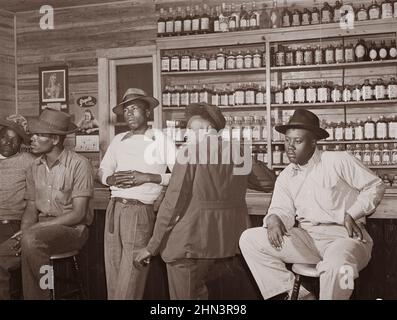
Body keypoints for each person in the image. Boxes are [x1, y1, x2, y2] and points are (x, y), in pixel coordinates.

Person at [239, 109, 385, 300]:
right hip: (308, 240)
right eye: (287, 140)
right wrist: (274, 218)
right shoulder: (286, 175)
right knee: (249, 239)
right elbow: (281, 209)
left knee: (339, 268)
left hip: (346, 239)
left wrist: (353, 213)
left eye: (297, 141)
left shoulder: (337, 160)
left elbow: (375, 185)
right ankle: (301, 296)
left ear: (314, 142)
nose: (290, 147)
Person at [135, 102, 276, 300]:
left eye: (192, 130)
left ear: (208, 129)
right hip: (222, 243)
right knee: (198, 293)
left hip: (188, 244)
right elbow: (269, 183)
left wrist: (152, 246)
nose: (187, 135)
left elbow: (172, 203)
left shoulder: (189, 153)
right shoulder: (238, 152)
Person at [98, 88, 177, 300]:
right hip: (114, 208)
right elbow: (102, 170)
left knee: (131, 276)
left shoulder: (159, 139)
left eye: (135, 108)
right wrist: (109, 179)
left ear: (148, 112)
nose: (130, 113)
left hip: (139, 210)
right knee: (113, 274)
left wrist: (148, 177)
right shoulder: (118, 140)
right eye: (126, 110)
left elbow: (180, 176)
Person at [16, 109, 94, 300]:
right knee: (4, 254)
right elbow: (31, 207)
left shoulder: (79, 164)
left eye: (39, 135)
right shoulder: (34, 167)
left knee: (32, 241)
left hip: (72, 230)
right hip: (38, 231)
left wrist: (34, 229)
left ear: (56, 140)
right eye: (33, 134)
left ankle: (43, 296)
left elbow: (78, 214)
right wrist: (25, 230)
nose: (32, 138)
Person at [0, 115, 34, 300]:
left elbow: (37, 200)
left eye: (15, 139)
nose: (8, 142)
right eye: (4, 136)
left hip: (12, 225)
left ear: (21, 143)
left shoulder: (28, 161)